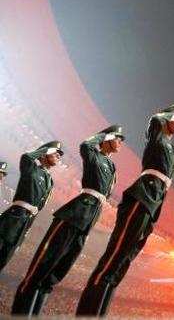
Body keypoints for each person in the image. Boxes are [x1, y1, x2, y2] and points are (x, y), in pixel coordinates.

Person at [76, 105, 174, 316]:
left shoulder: (171, 150)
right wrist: (164, 116)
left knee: (121, 265)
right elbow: (153, 122)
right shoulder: (157, 137)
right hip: (141, 198)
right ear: (165, 119)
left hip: (153, 204)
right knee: (114, 258)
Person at [12, 126, 122, 316]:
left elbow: (106, 193)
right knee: (41, 269)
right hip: (74, 215)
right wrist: (105, 134)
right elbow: (86, 145)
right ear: (108, 139)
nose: (120, 142)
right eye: (117, 138)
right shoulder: (94, 156)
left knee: (55, 275)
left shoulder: (111, 166)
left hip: (88, 221)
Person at [0, 142, 63, 273]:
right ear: (45, 155)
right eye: (55, 153)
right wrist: (46, 149)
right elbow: (26, 157)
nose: (58, 156)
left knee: (5, 257)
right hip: (14, 216)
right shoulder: (31, 169)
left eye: (59, 154)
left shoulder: (49, 180)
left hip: (26, 221)